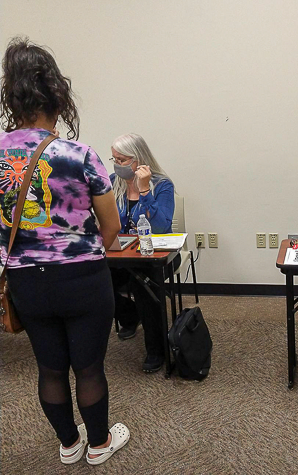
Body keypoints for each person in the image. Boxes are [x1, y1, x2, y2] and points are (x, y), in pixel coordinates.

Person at [0, 37, 130, 465]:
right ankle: (98, 444)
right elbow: (111, 226)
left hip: (25, 282)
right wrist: (88, 252)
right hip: (82, 278)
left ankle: (69, 444)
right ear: (58, 96)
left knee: (50, 367)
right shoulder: (79, 155)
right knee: (89, 367)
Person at [110, 133, 180, 372]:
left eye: (122, 160)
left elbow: (160, 226)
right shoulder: (112, 183)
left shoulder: (162, 185)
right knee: (95, 278)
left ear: (138, 159)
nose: (117, 165)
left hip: (158, 255)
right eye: (114, 159)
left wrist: (143, 191)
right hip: (121, 255)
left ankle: (156, 349)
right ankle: (129, 315)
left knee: (142, 285)